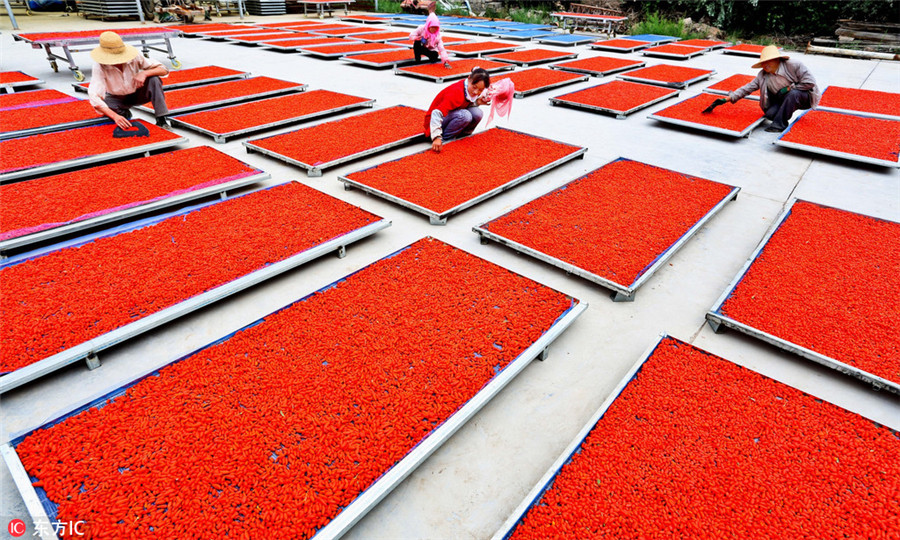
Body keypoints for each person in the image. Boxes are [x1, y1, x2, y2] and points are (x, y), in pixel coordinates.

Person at [87, 31, 171, 129]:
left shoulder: (134, 57)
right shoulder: (99, 66)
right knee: (106, 104)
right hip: (116, 98)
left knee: (154, 80)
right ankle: (124, 113)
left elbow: (163, 70)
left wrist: (144, 73)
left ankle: (161, 119)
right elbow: (94, 96)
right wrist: (115, 116)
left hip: (137, 93)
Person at [728, 45, 819, 133]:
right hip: (782, 98)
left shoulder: (794, 65)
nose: (765, 64)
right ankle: (784, 111)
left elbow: (810, 82)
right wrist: (730, 97)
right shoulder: (763, 75)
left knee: (792, 94)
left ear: (777, 59)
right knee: (770, 114)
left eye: (769, 61)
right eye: (763, 62)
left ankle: (779, 125)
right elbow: (748, 88)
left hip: (804, 96)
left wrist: (789, 88)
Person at [425, 67, 492, 153]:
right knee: (465, 115)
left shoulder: (468, 90)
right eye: (474, 87)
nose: (476, 92)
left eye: (480, 90)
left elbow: (462, 105)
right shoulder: (456, 91)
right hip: (433, 123)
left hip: (449, 117)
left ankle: (462, 136)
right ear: (469, 79)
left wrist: (478, 102)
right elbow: (436, 113)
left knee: (477, 113)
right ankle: (445, 140)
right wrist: (436, 137)